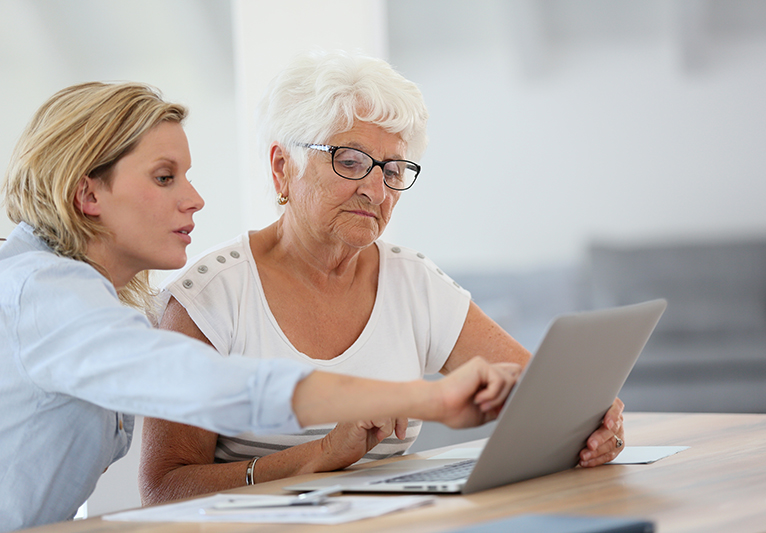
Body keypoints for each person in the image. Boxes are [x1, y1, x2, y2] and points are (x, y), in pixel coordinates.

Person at [0, 81, 521, 532]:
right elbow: (210, 387)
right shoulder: (45, 297)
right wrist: (427, 399)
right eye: (165, 177)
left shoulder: (81, 297)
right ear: (88, 195)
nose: (195, 198)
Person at [138, 50, 626, 506]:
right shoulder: (208, 297)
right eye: (350, 161)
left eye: (393, 169)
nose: (376, 189)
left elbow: (539, 395)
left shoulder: (412, 281)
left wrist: (592, 419)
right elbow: (163, 490)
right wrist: (320, 455)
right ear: (283, 167)